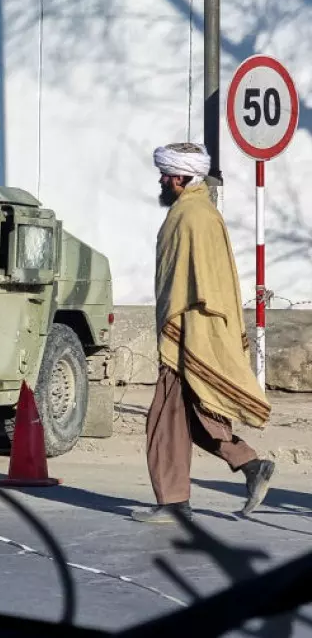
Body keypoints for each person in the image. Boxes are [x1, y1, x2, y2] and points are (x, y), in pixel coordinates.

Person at [131, 142, 275, 524]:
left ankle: (174, 504)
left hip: (190, 333)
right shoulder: (199, 211)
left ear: (181, 177)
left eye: (166, 174)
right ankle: (249, 464)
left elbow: (196, 285)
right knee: (192, 417)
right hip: (193, 331)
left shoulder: (191, 216)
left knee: (165, 418)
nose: (162, 180)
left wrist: (185, 334)